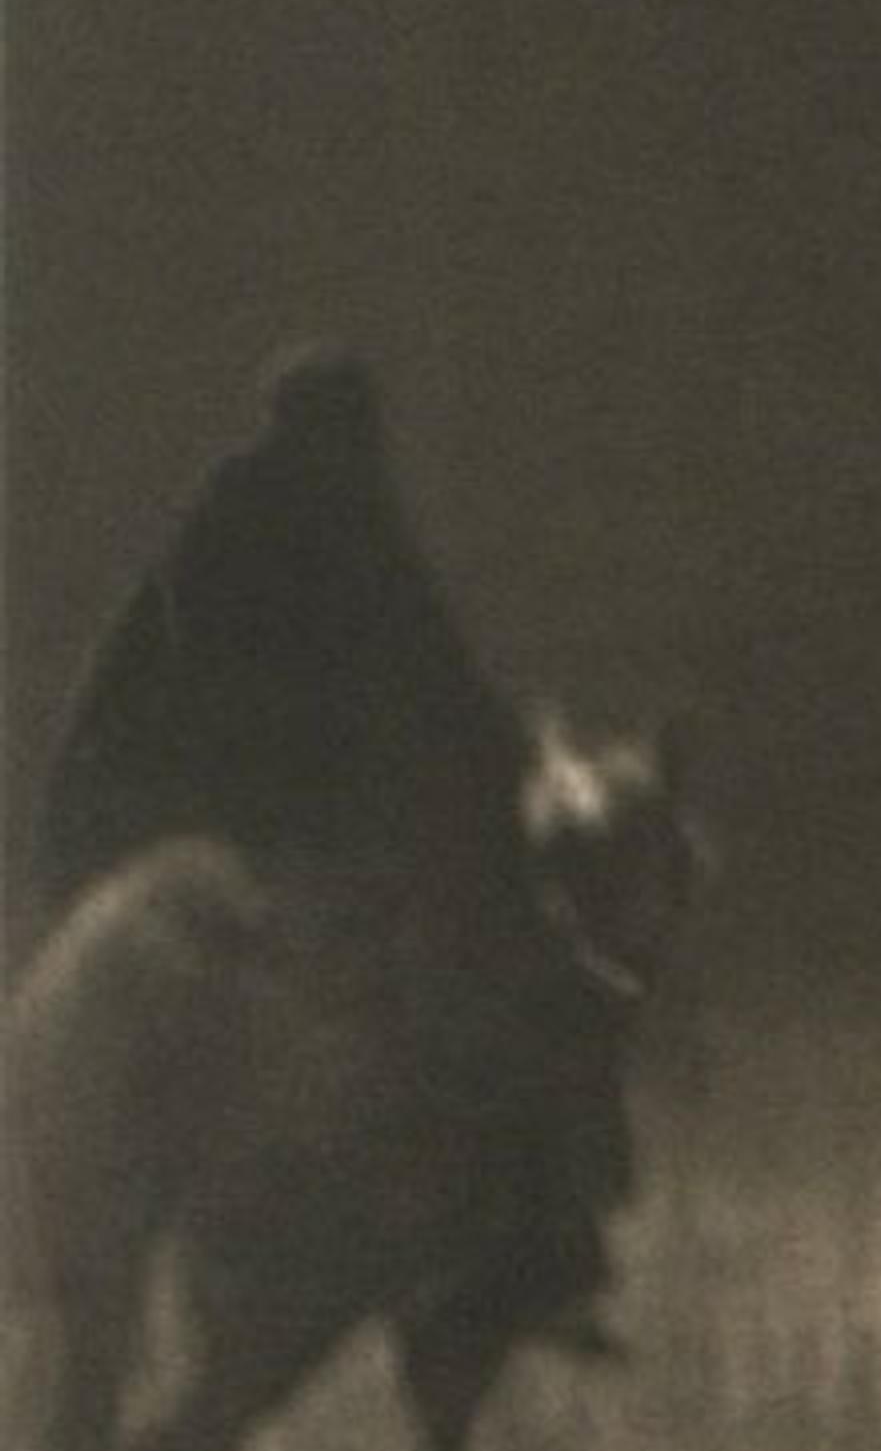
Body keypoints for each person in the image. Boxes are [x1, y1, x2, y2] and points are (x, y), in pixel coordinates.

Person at [31, 345, 633, 1354]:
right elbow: (432, 673)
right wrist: (517, 762)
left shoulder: (215, 530)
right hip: (290, 833)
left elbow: (141, 690)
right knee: (520, 978)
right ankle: (544, 1254)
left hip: (156, 827)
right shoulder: (355, 526)